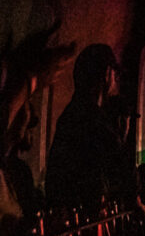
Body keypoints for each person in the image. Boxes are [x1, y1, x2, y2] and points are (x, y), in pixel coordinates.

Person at [45, 43, 131, 210]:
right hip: (85, 218)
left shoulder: (71, 115)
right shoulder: (92, 118)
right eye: (115, 73)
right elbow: (121, 167)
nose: (116, 81)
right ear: (107, 73)